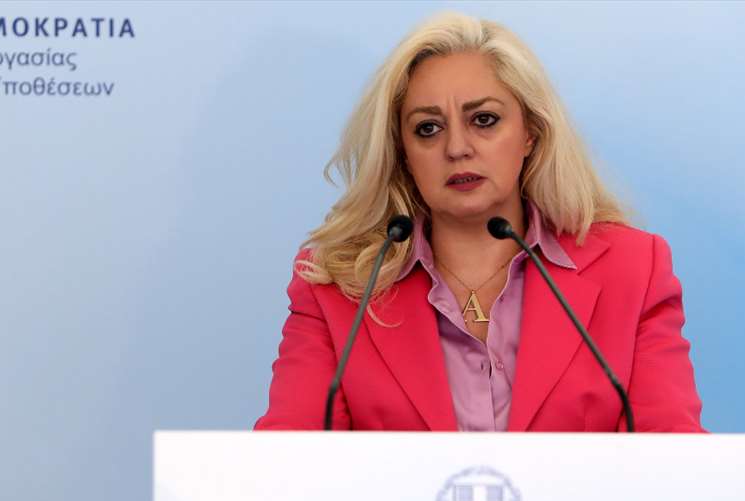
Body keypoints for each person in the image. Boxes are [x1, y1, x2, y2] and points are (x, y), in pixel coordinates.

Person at [254, 12, 704, 432]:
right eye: (428, 128)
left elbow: (674, 459)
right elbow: (286, 463)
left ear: (530, 133)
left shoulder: (632, 270)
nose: (457, 148)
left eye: (484, 120)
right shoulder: (337, 288)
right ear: (402, 153)